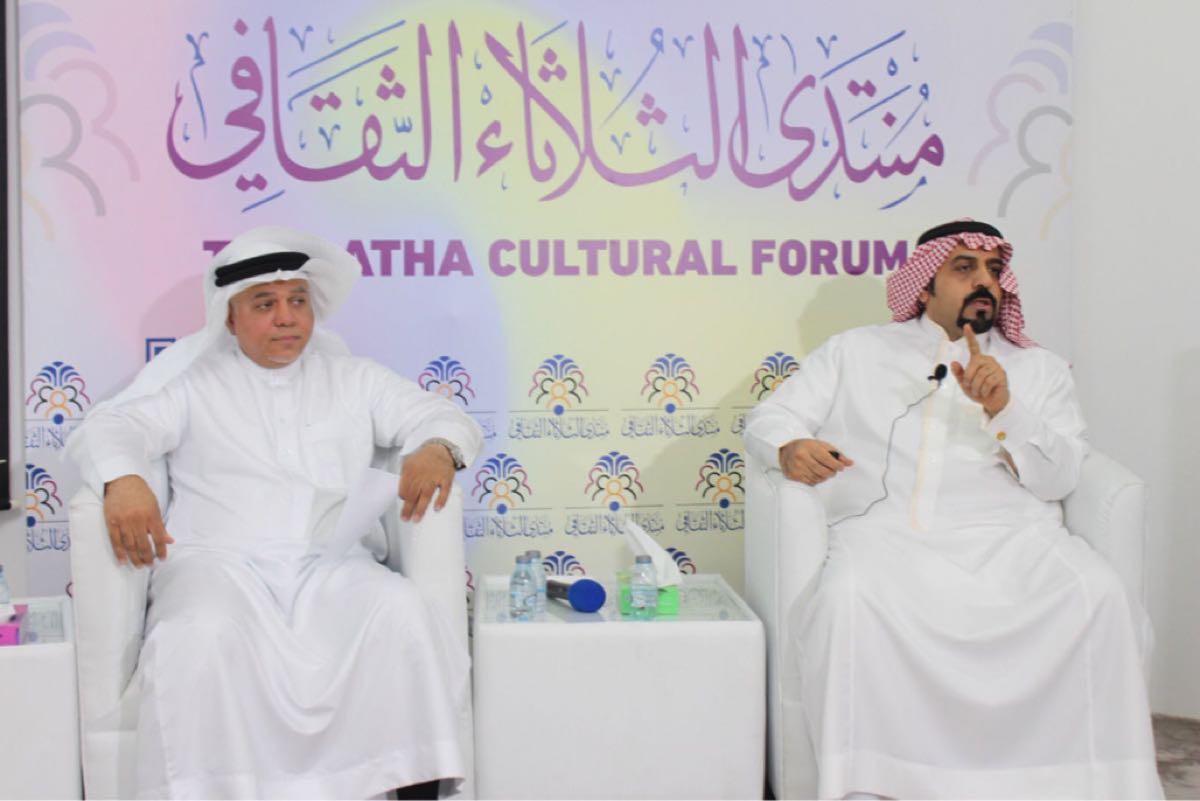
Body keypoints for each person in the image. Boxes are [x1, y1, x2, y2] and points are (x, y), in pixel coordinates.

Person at [743, 219, 1162, 799]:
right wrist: (789, 447)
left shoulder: (1038, 369)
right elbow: (770, 417)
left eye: (993, 269)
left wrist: (1006, 410)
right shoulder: (855, 352)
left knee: (1099, 592)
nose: (984, 281)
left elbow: (1062, 476)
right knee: (846, 600)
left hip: (1014, 537)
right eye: (964, 268)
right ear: (924, 285)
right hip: (889, 536)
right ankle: (869, 784)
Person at [66, 226, 483, 799]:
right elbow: (111, 427)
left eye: (297, 301)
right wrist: (125, 478)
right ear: (231, 317)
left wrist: (438, 448)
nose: (286, 318)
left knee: (398, 610)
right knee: (196, 634)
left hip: (329, 566)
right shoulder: (191, 385)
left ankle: (414, 790)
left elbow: (441, 416)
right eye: (265, 304)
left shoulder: (355, 379)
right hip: (217, 567)